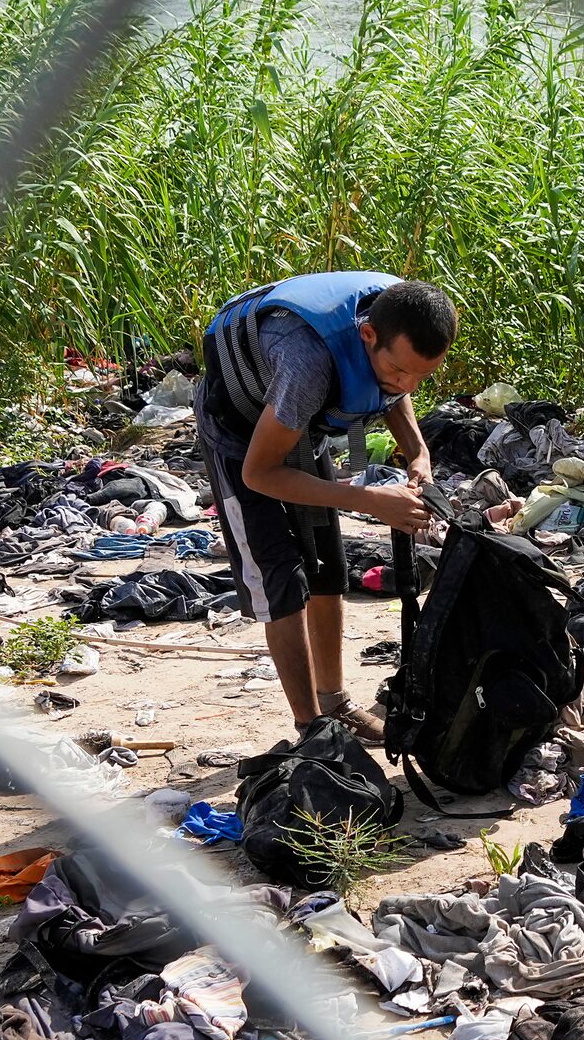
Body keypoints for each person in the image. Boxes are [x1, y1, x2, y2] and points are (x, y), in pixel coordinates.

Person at [195, 270, 455, 741]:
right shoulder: (306, 363)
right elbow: (261, 473)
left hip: (299, 426)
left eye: (423, 375)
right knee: (280, 580)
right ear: (367, 335)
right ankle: (311, 728)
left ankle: (335, 704)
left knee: (326, 569)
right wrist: (367, 500)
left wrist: (419, 452)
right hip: (240, 438)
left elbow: (392, 389)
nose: (409, 383)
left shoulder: (400, 322)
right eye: (400, 371)